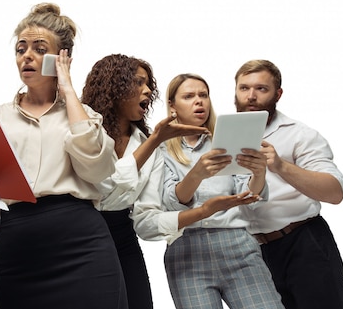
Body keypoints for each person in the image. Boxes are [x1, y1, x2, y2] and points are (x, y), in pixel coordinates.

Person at [82, 55, 261, 309]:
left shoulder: (147, 144)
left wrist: (202, 211)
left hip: (123, 235)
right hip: (82, 231)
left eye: (149, 85)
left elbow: (146, 220)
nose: (147, 90)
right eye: (138, 82)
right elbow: (104, 188)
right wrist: (157, 141)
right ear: (115, 86)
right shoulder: (89, 131)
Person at [0, 3, 126, 309]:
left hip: (81, 242)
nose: (27, 55)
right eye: (21, 49)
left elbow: (98, 169)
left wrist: (67, 89)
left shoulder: (83, 115)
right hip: (18, 245)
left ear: (61, 59)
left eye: (39, 49)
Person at [158, 72, 284, 309]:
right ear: (172, 106)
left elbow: (249, 197)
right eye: (189, 96)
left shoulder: (226, 140)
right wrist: (196, 174)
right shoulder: (160, 149)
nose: (199, 101)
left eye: (203, 95)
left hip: (236, 243)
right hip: (187, 251)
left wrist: (258, 173)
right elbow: (171, 204)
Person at [234, 60, 343, 309]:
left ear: (278, 94)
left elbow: (335, 192)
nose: (251, 96)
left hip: (304, 243)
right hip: (251, 254)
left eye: (261, 89)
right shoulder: (220, 137)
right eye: (244, 88)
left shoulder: (300, 134)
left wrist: (280, 166)